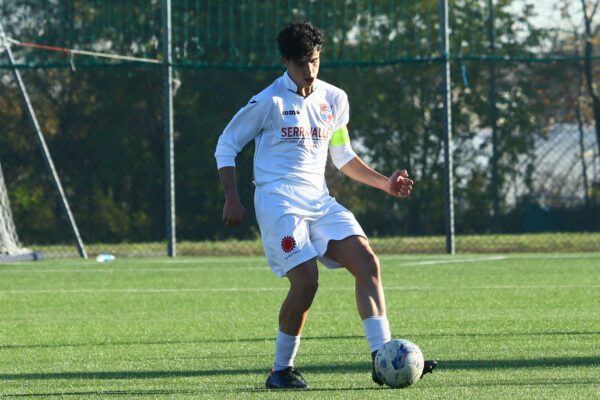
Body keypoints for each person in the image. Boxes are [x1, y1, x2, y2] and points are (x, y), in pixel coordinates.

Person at [214, 21, 437, 390]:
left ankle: (382, 359)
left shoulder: (335, 99)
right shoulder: (268, 102)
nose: (309, 70)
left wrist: (385, 182)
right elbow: (226, 144)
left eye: (315, 60)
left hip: (319, 201)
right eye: (301, 63)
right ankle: (281, 371)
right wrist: (232, 197)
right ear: (285, 61)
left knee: (367, 262)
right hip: (278, 201)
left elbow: (343, 156)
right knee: (306, 282)